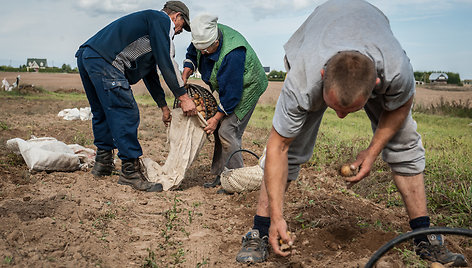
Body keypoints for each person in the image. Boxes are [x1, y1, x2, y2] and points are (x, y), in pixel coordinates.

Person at [235, 0, 468, 266]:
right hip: (316, 32)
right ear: (322, 76)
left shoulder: (396, 71)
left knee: (405, 144)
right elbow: (279, 147)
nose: (341, 116)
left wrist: (372, 151)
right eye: (334, 106)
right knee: (291, 147)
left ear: (377, 85)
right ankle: (260, 230)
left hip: (371, 26)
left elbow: (401, 105)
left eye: (352, 109)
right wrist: (278, 217)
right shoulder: (302, 79)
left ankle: (424, 236)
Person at [76, 1, 197, 192]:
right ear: (176, 17)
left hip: (88, 56)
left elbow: (149, 73)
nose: (180, 31)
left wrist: (163, 106)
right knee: (126, 112)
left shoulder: (148, 28)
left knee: (102, 112)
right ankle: (130, 173)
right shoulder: (161, 20)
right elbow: (167, 60)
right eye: (182, 26)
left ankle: (103, 163)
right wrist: (183, 96)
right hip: (106, 60)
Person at [181, 14, 268, 189]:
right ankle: (222, 175)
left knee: (228, 131)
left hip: (247, 86)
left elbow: (232, 94)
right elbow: (192, 52)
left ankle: (237, 180)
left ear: (216, 42)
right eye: (201, 49)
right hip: (230, 87)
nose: (203, 53)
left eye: (206, 50)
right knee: (221, 129)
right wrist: (187, 71)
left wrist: (216, 118)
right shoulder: (202, 37)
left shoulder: (233, 54)